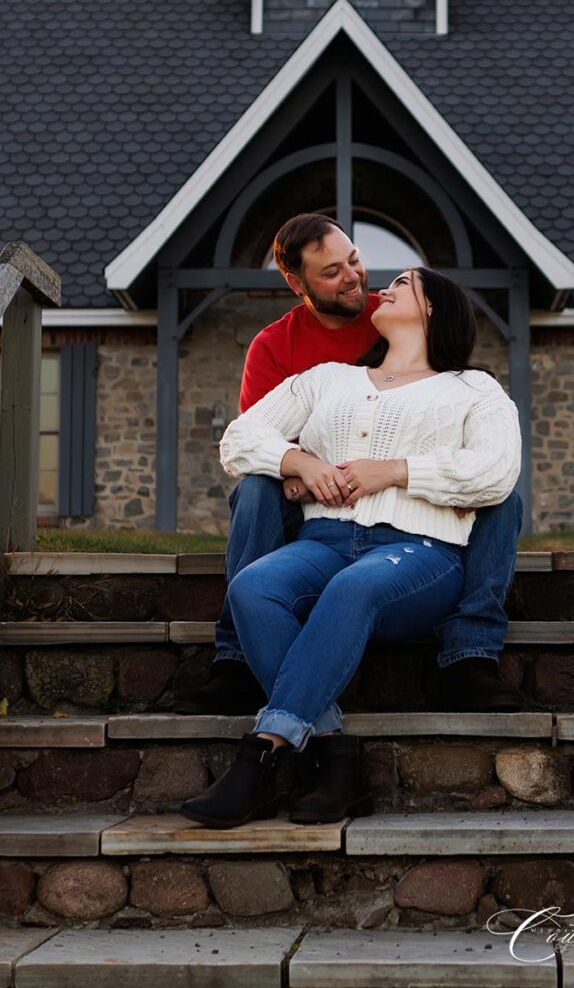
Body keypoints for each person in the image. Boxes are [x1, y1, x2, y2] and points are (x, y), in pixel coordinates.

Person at [180, 267, 521, 830]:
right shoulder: (326, 379)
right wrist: (300, 463)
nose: (384, 287)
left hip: (421, 551)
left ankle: (264, 752)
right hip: (325, 540)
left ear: (435, 308)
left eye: (406, 283)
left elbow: (496, 471)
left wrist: (393, 471)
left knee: (354, 587)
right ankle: (336, 754)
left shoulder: (474, 389)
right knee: (254, 586)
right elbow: (240, 436)